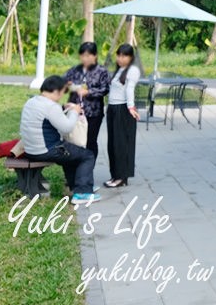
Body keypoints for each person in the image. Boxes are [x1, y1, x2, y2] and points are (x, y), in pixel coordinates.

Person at [19, 75, 101, 204]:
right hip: (47, 151)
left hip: (31, 150)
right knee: (87, 155)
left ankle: (79, 186)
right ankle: (82, 193)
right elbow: (67, 127)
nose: (62, 96)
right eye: (62, 92)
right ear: (57, 91)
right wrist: (74, 111)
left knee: (72, 154)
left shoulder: (32, 101)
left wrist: (64, 108)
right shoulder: (51, 106)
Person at [63, 42, 110, 159]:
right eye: (82, 55)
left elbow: (105, 89)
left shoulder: (101, 71)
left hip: (93, 112)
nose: (85, 58)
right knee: (73, 139)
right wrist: (66, 85)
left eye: (88, 55)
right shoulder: (74, 70)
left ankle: (88, 169)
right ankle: (74, 168)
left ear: (95, 56)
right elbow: (60, 84)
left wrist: (89, 92)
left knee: (90, 141)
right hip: (74, 110)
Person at [105, 43, 141, 188]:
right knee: (112, 145)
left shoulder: (133, 70)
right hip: (113, 109)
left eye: (124, 55)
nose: (120, 58)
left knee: (121, 145)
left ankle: (121, 177)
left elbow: (130, 89)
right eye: (119, 55)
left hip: (123, 110)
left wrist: (131, 107)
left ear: (131, 57)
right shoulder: (119, 70)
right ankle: (115, 175)